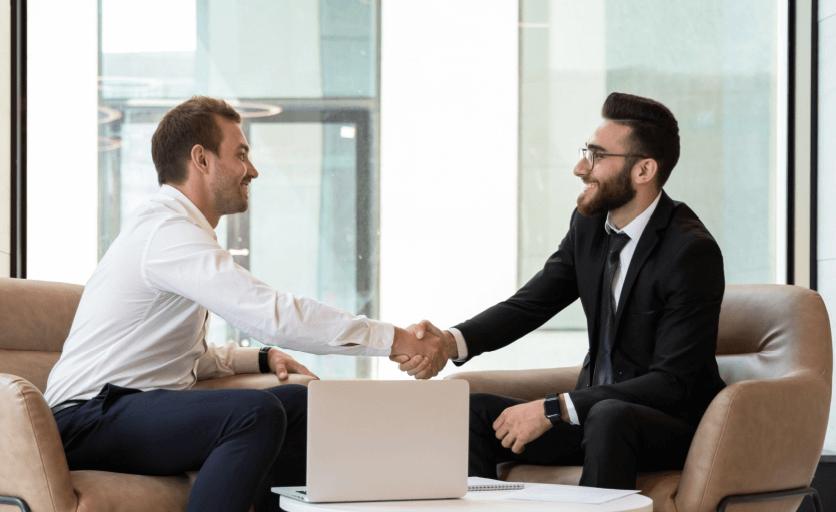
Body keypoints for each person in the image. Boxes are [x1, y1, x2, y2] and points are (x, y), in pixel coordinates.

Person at [44, 96, 445, 512]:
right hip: (89, 418)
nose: (252, 170)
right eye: (241, 155)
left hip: (126, 406)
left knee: (302, 405)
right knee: (254, 414)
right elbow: (271, 314)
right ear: (201, 159)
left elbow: (174, 356)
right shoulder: (166, 230)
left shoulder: (177, 233)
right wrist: (394, 339)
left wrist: (261, 357)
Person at [398, 92, 727, 489]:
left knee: (610, 415)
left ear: (643, 170)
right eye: (584, 152)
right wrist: (449, 343)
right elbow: (530, 304)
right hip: (594, 415)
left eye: (596, 156)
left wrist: (555, 409)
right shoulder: (589, 226)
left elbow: (672, 382)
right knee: (472, 411)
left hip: (666, 424)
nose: (579, 168)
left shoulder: (690, 251)